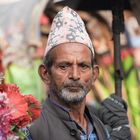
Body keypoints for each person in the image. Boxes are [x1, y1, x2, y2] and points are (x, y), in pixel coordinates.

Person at [26, 6, 131, 140]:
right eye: (64, 66)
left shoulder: (101, 128)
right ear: (45, 74)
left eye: (83, 66)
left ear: (94, 75)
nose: (75, 75)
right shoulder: (31, 130)